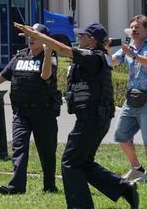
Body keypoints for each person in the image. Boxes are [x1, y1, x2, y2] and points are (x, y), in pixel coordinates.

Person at [15, 21, 139, 209]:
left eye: (81, 36)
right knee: (82, 162)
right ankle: (124, 188)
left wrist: (38, 36)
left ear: (91, 40)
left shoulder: (92, 56)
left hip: (92, 117)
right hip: (97, 116)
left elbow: (63, 49)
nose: (78, 38)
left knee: (70, 163)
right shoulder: (99, 55)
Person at [0, 23, 59, 195]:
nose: (31, 38)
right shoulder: (20, 57)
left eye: (35, 36)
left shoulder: (50, 57)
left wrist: (47, 53)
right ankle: (16, 187)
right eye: (30, 35)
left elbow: (46, 76)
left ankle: (49, 185)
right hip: (21, 112)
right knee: (19, 148)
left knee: (47, 151)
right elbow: (1, 77)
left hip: (43, 111)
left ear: (44, 39)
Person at [112, 15, 147, 182]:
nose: (133, 29)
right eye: (132, 27)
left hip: (146, 100)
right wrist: (104, 48)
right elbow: (112, 62)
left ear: (146, 30)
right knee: (121, 134)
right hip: (131, 99)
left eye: (138, 27)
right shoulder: (129, 47)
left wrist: (133, 55)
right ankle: (137, 169)